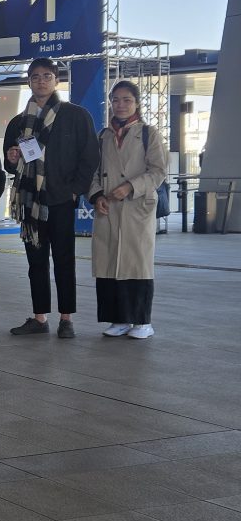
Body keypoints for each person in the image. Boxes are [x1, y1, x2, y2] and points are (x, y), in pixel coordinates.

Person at [4, 58, 100, 338]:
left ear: (57, 81)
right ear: (29, 82)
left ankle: (66, 319)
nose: (41, 81)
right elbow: (10, 163)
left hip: (60, 200)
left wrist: (74, 190)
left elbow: (90, 156)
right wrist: (12, 158)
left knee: (64, 260)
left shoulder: (76, 115)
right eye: (35, 77)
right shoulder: (18, 122)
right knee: (36, 262)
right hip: (30, 202)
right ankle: (40, 317)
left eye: (47, 76)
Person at [89, 80, 167, 339]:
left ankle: (142, 321)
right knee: (109, 263)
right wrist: (96, 195)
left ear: (136, 103)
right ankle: (118, 318)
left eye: (127, 100)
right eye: (116, 100)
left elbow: (159, 171)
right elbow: (93, 172)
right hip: (108, 208)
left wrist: (131, 186)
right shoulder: (103, 136)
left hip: (136, 208)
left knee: (137, 264)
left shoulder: (148, 134)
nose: (120, 105)